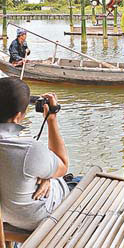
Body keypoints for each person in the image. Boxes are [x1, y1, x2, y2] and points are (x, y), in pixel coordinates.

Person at [0, 77, 69, 231]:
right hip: (32, 218)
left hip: (4, 215)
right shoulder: (29, 150)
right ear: (18, 116)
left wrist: (46, 176)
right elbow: (63, 165)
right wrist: (52, 120)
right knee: (70, 181)